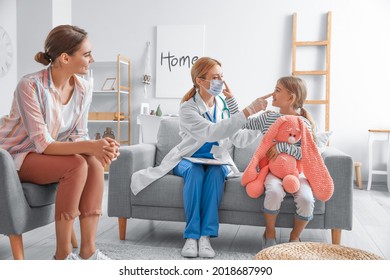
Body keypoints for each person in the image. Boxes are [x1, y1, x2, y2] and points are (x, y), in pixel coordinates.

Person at [130, 57, 270, 258]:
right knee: (195, 173)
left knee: (215, 174)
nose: (220, 81)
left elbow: (237, 138)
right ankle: (191, 236)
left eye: (222, 76)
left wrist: (259, 125)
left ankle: (205, 236)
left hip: (216, 160)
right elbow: (212, 132)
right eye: (215, 77)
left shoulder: (223, 104)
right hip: (187, 159)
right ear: (199, 81)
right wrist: (248, 110)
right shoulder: (188, 108)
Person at [0, 25, 119, 260]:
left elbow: (78, 133)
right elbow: (42, 143)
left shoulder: (83, 88)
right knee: (76, 165)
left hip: (46, 154)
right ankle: (62, 256)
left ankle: (88, 252)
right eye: (87, 54)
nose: (91, 59)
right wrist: (90, 148)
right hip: (16, 156)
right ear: (65, 58)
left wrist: (100, 148)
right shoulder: (30, 86)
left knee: (93, 164)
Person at [237, 76, 316, 249]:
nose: (273, 93)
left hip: (296, 172)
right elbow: (241, 123)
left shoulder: (303, 124)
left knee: (306, 199)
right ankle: (270, 233)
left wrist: (282, 147)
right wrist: (235, 103)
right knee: (273, 192)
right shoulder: (268, 118)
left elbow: (307, 154)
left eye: (278, 90)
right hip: (273, 171)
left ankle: (295, 237)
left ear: (291, 97)